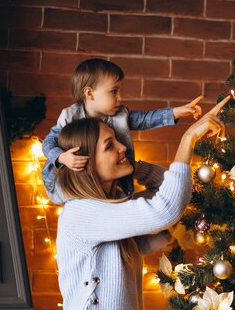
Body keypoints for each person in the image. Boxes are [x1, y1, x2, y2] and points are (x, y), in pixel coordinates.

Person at [48, 96, 230, 310]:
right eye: (110, 146)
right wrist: (188, 139)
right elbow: (166, 208)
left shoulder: (111, 209)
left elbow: (165, 190)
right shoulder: (81, 212)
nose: (122, 147)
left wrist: (134, 165)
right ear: (84, 162)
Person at [41, 58, 203, 204]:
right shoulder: (70, 116)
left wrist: (176, 112)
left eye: (120, 91)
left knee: (121, 200)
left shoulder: (119, 115)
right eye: (114, 91)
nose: (120, 98)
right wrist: (62, 157)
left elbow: (145, 119)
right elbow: (48, 142)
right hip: (65, 182)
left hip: (106, 183)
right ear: (89, 93)